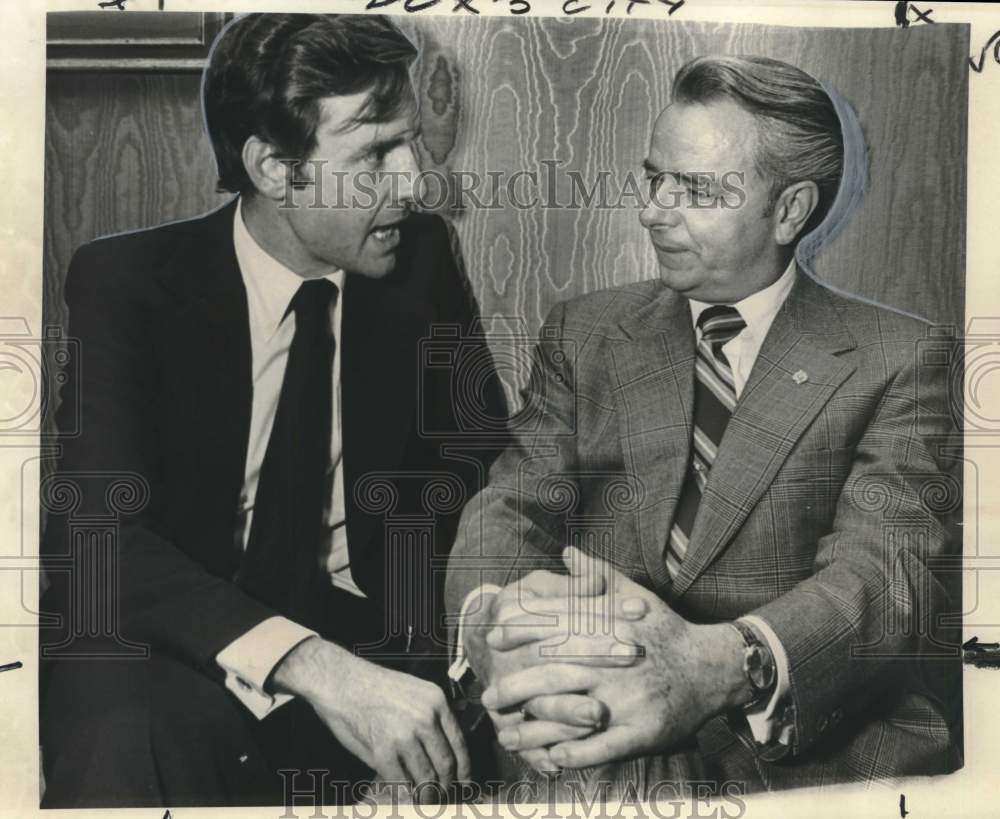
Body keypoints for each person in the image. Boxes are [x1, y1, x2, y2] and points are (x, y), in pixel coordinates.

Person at [446, 55, 962, 796]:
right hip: (583, 721)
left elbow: (887, 575)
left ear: (789, 211)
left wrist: (721, 663)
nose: (655, 209)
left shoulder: (899, 356)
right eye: (653, 177)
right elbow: (509, 506)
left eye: (694, 189)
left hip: (792, 748)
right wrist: (490, 630)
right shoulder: (585, 332)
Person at [39, 13, 511, 808]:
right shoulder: (127, 285)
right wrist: (318, 667)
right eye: (373, 154)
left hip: (374, 640)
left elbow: (471, 461)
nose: (415, 180)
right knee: (126, 736)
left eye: (413, 143)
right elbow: (97, 535)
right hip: (176, 644)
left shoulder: (419, 258)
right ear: (272, 168)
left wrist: (464, 651)